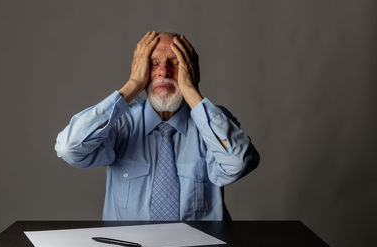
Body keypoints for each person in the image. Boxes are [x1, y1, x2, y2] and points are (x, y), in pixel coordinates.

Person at [55, 31, 259, 221]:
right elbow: (70, 149)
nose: (164, 72)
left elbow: (238, 163)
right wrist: (133, 85)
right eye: (153, 64)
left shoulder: (212, 123)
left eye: (175, 63)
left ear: (191, 70)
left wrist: (190, 89)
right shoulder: (121, 123)